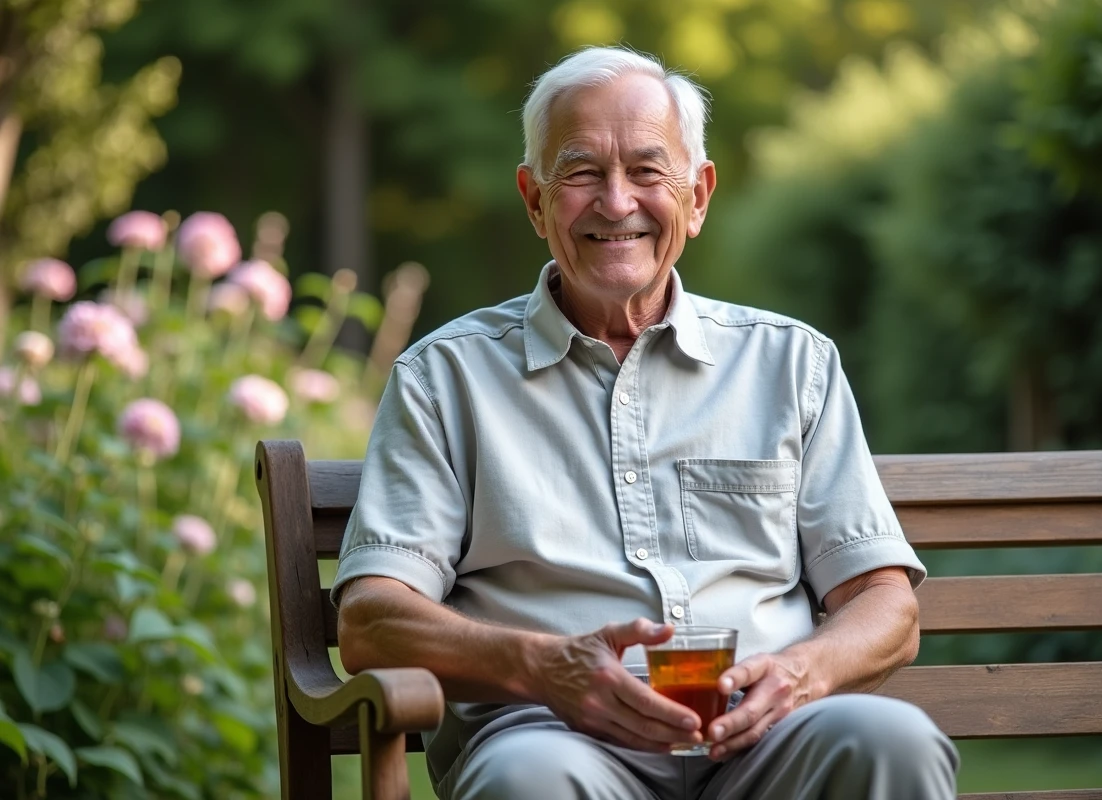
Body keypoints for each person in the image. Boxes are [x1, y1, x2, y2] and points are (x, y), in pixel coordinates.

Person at [333, 46, 959, 800]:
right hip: (557, 737)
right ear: (534, 200)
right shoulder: (444, 380)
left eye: (647, 170)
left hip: (767, 742)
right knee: (526, 780)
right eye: (583, 172)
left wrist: (800, 672)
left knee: (891, 740)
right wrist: (543, 666)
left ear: (697, 197)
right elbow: (370, 621)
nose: (617, 201)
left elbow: (885, 604)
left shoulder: (793, 364)